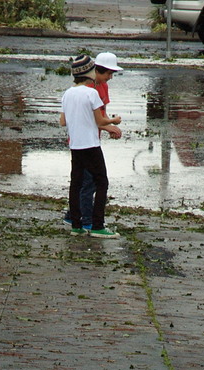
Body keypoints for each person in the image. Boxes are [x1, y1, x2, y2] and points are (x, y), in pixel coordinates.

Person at [59, 53, 122, 238]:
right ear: (89, 72)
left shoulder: (67, 93)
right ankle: (97, 226)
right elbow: (100, 120)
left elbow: (63, 121)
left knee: (76, 184)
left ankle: (76, 226)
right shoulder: (92, 93)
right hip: (91, 145)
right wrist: (114, 121)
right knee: (101, 182)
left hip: (75, 145)